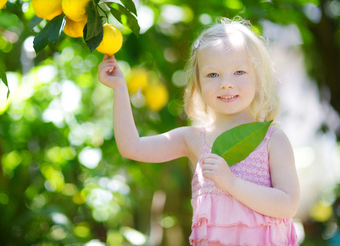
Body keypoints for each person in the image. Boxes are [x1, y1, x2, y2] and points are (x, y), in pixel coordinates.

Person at [98, 17, 300, 246]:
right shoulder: (193, 139)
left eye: (239, 72)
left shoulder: (272, 139)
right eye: (213, 75)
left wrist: (231, 183)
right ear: (198, 84)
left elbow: (288, 204)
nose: (226, 83)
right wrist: (119, 89)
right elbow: (131, 147)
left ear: (259, 78)